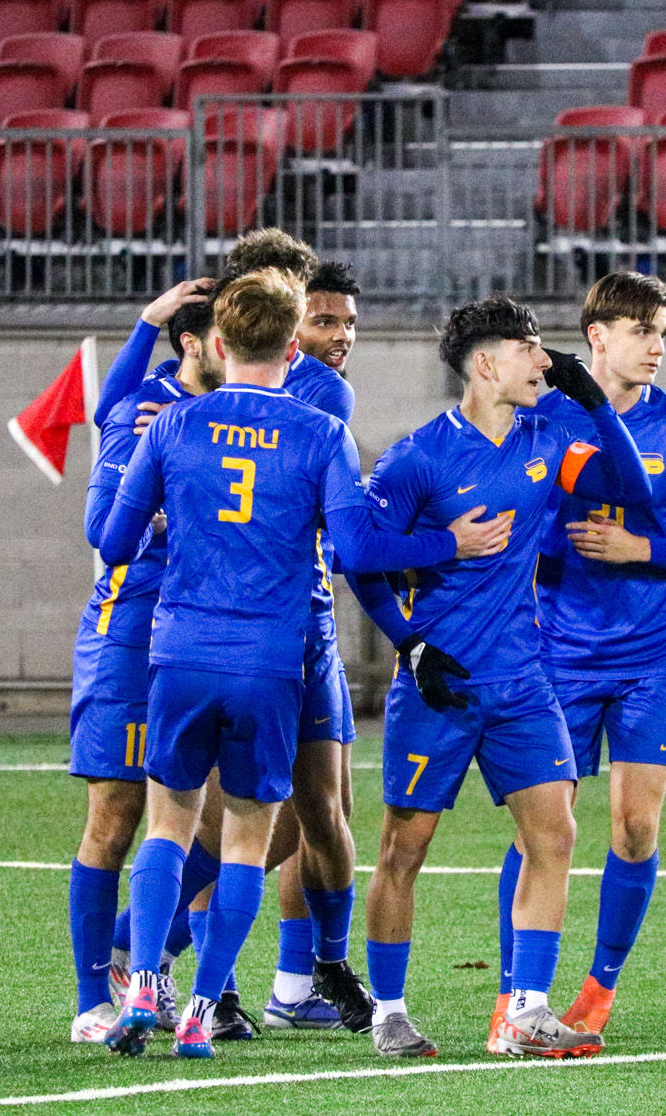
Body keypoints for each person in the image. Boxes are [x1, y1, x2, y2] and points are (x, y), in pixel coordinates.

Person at [96, 270, 508, 1060]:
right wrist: (446, 544)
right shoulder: (322, 434)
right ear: (293, 348)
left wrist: (160, 517)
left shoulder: (172, 425)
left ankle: (143, 979)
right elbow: (355, 551)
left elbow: (113, 544)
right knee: (252, 838)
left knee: (170, 825)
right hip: (270, 661)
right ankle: (203, 1009)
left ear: (217, 344)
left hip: (180, 651)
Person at [346, 296, 655, 1061]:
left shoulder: (548, 441)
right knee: (402, 850)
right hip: (439, 682)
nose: (543, 361)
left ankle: (527, 1009)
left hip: (522, 681)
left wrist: (597, 407)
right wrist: (410, 643)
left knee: (555, 833)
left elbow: (636, 496)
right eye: (529, 349)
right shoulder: (418, 456)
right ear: (487, 364)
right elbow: (360, 556)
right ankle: (389, 1009)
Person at [494, 272, 666, 1045]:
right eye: (643, 330)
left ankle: (598, 988)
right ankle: (516, 996)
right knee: (542, 829)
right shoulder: (546, 419)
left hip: (654, 650)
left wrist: (644, 548)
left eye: (663, 331)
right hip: (559, 650)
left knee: (634, 826)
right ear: (597, 336)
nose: (658, 345)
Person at [63, 280, 220, 1044]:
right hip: (134, 631)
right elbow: (103, 525)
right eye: (226, 333)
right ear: (193, 343)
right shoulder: (144, 413)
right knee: (118, 815)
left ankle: (137, 946)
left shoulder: (245, 412)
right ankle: (96, 995)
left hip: (213, 635)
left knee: (248, 823)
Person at [265, 256, 365, 1030]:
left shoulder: (186, 392)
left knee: (307, 814)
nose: (341, 337)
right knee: (268, 814)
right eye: (324, 320)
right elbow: (354, 536)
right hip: (282, 628)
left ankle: (289, 987)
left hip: (232, 622)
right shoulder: (323, 398)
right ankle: (150, 946)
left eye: (349, 323)